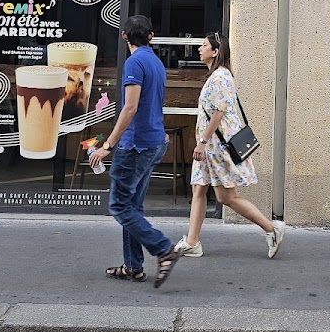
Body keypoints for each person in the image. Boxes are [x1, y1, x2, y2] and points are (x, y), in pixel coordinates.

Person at [88, 15, 183, 288]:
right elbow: (155, 103)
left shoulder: (134, 62)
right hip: (154, 143)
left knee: (119, 206)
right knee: (132, 207)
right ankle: (133, 267)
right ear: (151, 36)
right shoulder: (156, 63)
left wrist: (107, 145)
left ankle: (164, 249)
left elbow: (130, 108)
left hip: (135, 145)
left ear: (124, 36)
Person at [175, 31, 284, 259]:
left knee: (226, 197)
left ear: (215, 52)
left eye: (204, 45)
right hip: (208, 147)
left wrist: (203, 142)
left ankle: (272, 229)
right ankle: (192, 242)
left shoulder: (221, 77)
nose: (199, 49)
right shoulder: (215, 76)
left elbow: (219, 112)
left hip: (215, 147)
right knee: (199, 189)